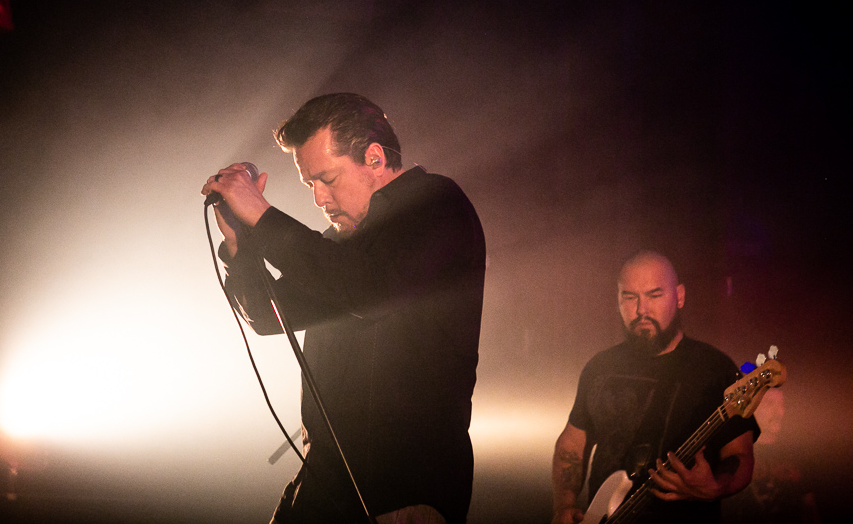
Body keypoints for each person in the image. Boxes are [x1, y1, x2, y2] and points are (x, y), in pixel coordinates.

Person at [202, 93, 485, 524]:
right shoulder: (341, 245)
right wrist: (240, 248)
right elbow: (269, 315)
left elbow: (368, 288)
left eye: (327, 178)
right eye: (309, 184)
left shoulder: (436, 203)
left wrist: (262, 213)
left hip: (401, 493)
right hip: (323, 489)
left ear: (374, 158)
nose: (319, 198)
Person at [551, 251, 758, 524]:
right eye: (630, 297)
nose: (641, 310)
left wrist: (716, 486)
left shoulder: (714, 368)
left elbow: (740, 454)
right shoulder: (600, 367)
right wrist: (564, 505)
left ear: (679, 296)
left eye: (654, 295)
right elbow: (572, 443)